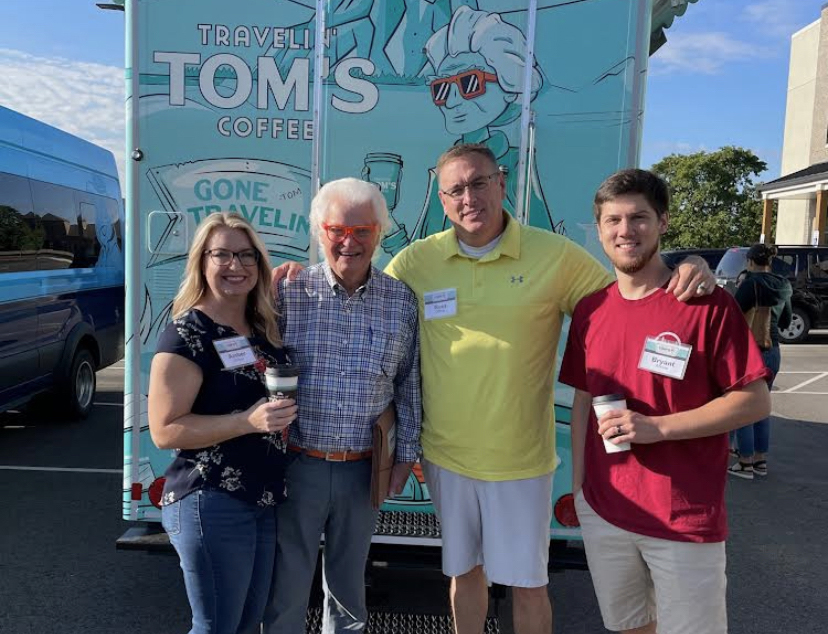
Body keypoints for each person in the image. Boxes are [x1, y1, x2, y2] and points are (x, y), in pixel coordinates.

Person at [381, 146, 717, 634]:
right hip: (445, 457)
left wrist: (684, 270)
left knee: (528, 585)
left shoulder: (552, 255)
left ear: (501, 182)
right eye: (456, 189)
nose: (469, 198)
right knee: (462, 573)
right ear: (442, 197)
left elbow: (626, 299)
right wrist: (297, 280)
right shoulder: (419, 260)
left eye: (479, 183)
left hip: (520, 461)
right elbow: (365, 299)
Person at [558, 169, 771, 634]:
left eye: (639, 217)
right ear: (598, 229)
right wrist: (580, 489)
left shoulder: (706, 306)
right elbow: (582, 399)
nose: (625, 230)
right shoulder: (592, 311)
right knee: (630, 627)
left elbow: (754, 402)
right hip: (606, 509)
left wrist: (658, 427)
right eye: (613, 220)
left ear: (663, 222)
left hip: (682, 517)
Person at [262, 178, 421, 634]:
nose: (348, 242)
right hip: (299, 465)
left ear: (379, 233)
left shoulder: (401, 301)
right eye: (337, 230)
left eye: (362, 231)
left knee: (349, 591)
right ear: (319, 231)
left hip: (363, 468)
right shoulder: (288, 292)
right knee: (287, 586)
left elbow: (408, 386)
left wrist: (405, 458)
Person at [148, 212, 297, 634]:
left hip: (262, 500)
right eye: (223, 255)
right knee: (216, 626)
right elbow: (165, 430)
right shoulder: (187, 333)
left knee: (248, 624)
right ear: (202, 262)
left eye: (247, 255)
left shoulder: (260, 327)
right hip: (210, 498)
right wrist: (247, 421)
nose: (236, 266)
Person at [728, 243, 792, 479]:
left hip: (749, 350)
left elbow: (732, 315)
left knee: (744, 405)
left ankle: (744, 462)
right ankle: (759, 460)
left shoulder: (751, 283)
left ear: (750, 262)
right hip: (773, 348)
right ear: (770, 262)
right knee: (762, 405)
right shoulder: (784, 284)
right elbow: (786, 321)